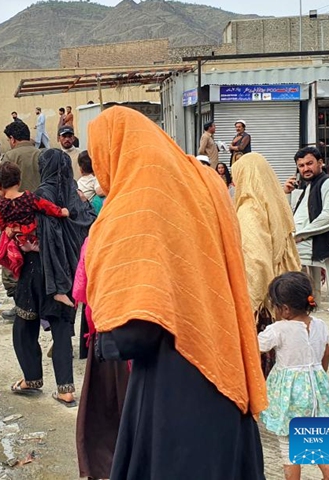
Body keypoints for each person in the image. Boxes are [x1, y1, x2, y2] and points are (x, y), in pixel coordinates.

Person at [86, 106, 266, 479]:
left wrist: (105, 343)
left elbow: (138, 331)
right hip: (225, 358)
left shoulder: (140, 199)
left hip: (177, 384)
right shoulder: (200, 182)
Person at [8, 149, 94, 407]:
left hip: (37, 271)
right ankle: (66, 390)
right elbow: (88, 228)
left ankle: (31, 379)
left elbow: (24, 233)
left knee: (24, 326)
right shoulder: (78, 197)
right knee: (61, 331)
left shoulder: (37, 198)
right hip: (68, 273)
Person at [258, 272, 329, 480]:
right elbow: (326, 353)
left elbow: (254, 347)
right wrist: (318, 376)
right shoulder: (320, 325)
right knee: (310, 432)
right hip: (315, 388)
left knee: (287, 440)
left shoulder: (278, 329)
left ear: (285, 309)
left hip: (291, 394)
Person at [234, 153, 302, 378]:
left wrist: (249, 305)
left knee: (261, 367)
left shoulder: (249, 210)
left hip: (264, 301)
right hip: (282, 294)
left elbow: (257, 261)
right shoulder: (275, 204)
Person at [74, 237, 129, 480]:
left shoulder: (105, 227)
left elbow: (82, 287)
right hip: (149, 335)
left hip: (111, 330)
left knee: (109, 411)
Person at [0, 120, 42, 319]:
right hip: (39, 219)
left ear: (12, 139)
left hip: (14, 221)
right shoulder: (41, 154)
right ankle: (38, 303)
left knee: (12, 264)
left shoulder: (10, 157)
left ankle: (22, 305)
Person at [0, 161, 70, 280]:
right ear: (19, 181)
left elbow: (1, 224)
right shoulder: (29, 197)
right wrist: (62, 212)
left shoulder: (0, 205)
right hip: (32, 237)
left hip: (17, 241)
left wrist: (9, 228)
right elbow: (46, 207)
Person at [283, 147, 329, 283]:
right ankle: (299, 298)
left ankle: (289, 299)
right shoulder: (310, 186)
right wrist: (287, 194)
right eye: (301, 166)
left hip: (317, 242)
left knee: (273, 253)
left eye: (309, 163)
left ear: (320, 162)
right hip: (304, 239)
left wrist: (300, 235)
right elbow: (290, 217)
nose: (305, 169)